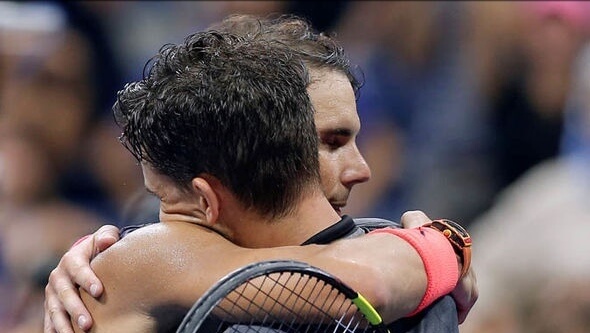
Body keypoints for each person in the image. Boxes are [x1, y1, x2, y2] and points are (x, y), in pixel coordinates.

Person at [44, 15, 477, 333]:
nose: (362, 170)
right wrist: (446, 249)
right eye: (329, 141)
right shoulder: (144, 257)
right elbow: (367, 287)